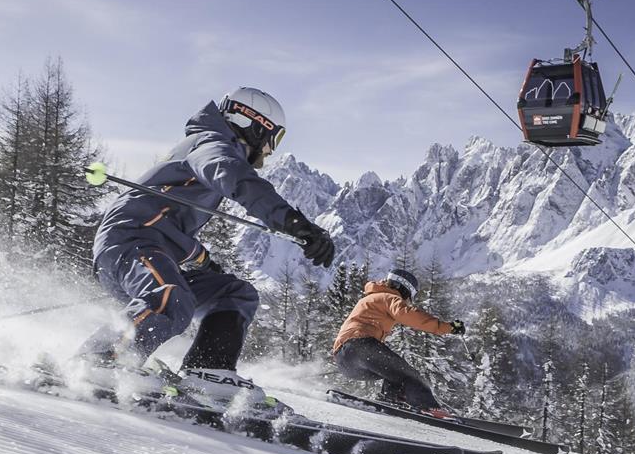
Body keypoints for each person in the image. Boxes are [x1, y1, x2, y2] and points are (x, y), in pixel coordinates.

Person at [80, 86, 334, 404]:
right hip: (128, 243)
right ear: (253, 124)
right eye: (274, 137)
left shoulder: (208, 146)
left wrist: (202, 259)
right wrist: (295, 223)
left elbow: (168, 222)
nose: (271, 150)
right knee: (170, 297)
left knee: (234, 293)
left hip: (151, 246)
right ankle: (101, 358)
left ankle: (208, 371)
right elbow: (239, 182)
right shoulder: (211, 145)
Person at [332, 267, 465, 417]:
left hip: (345, 359)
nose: (407, 301)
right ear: (403, 288)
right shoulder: (387, 297)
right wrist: (447, 327)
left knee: (394, 374)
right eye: (409, 295)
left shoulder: (370, 298)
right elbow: (409, 315)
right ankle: (429, 407)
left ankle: (390, 400)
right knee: (409, 375)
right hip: (360, 346)